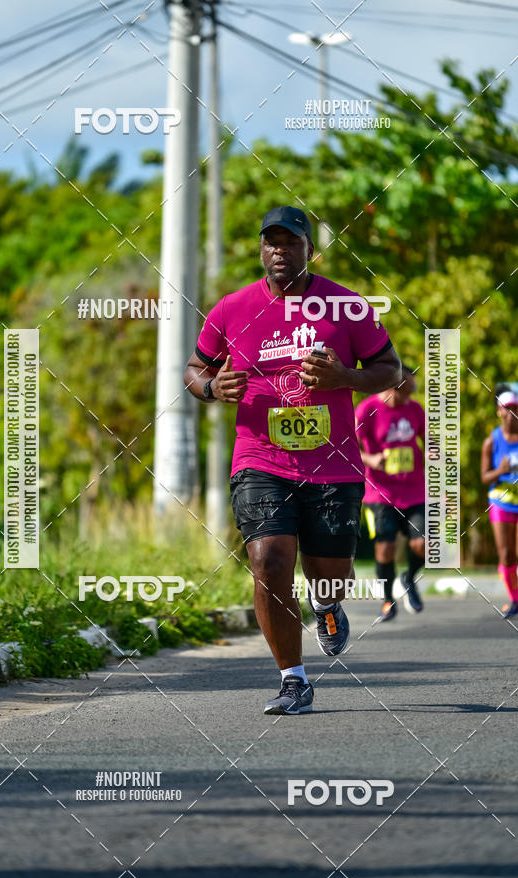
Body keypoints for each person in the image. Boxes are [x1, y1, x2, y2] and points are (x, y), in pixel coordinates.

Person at [183, 205, 400, 715]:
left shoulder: (346, 307)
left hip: (333, 464)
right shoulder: (231, 309)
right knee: (269, 560)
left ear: (309, 249)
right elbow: (194, 369)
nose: (280, 250)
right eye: (271, 242)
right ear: (262, 249)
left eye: (291, 242)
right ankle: (293, 680)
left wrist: (346, 378)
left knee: (331, 575)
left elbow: (390, 369)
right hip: (259, 459)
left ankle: (326, 604)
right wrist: (212, 387)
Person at [355, 365, 426, 621]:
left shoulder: (415, 409)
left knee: (423, 544)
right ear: (394, 385)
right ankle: (387, 600)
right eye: (408, 388)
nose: (411, 394)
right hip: (380, 493)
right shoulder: (367, 410)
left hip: (414, 490)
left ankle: (409, 578)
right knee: (385, 548)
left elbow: (430, 441)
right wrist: (371, 459)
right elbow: (348, 446)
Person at [481, 388, 518, 617]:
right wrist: (500, 471)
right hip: (501, 503)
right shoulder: (491, 441)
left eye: (515, 408)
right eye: (507, 409)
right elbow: (485, 477)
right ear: (499, 412)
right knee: (506, 555)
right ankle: (515, 601)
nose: (512, 413)